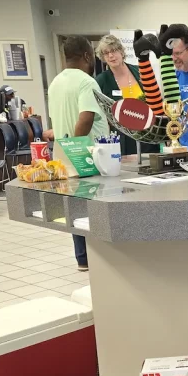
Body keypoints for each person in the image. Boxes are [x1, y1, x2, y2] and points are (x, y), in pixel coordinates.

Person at [47, 35, 109, 272]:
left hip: (62, 155)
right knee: (93, 207)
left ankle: (82, 258)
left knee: (76, 207)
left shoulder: (55, 82)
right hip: (86, 154)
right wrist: (77, 149)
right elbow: (86, 117)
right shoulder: (87, 82)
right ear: (86, 55)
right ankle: (97, 258)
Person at [94, 35, 158, 157]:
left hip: (147, 134)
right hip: (123, 140)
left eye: (113, 50)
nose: (111, 56)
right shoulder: (101, 80)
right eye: (106, 53)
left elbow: (153, 98)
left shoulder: (139, 71)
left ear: (121, 51)